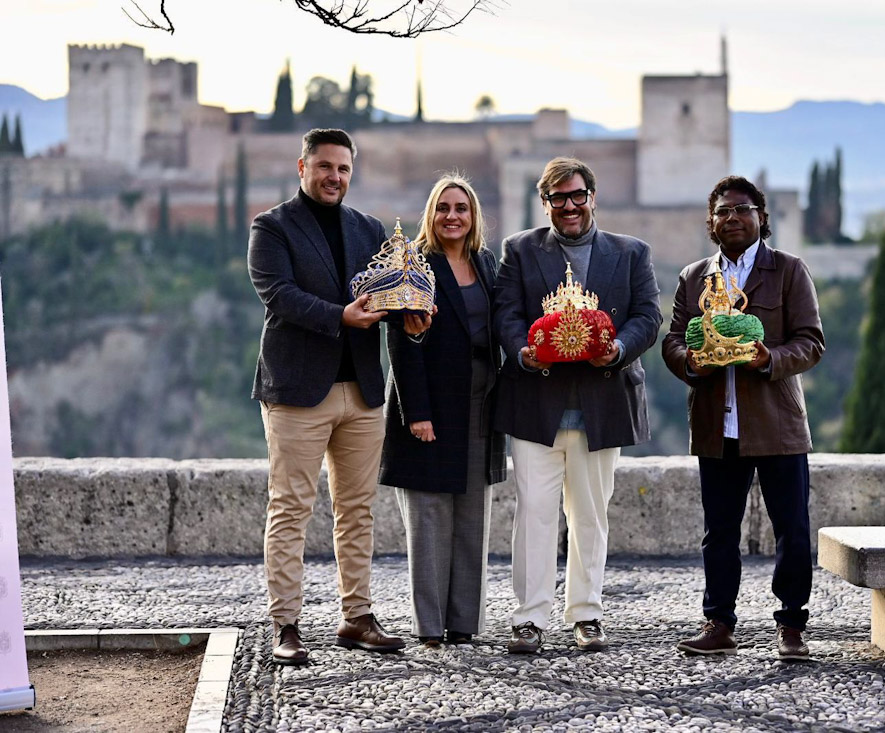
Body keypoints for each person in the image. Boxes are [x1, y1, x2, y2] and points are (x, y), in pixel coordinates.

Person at [248, 128, 431, 666]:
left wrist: (411, 318)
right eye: (325, 166)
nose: (334, 176)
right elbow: (278, 295)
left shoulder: (369, 229)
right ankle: (286, 624)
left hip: (363, 391)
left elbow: (386, 297)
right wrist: (340, 317)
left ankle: (357, 616)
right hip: (297, 392)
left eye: (343, 168)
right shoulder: (271, 227)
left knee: (357, 510)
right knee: (290, 510)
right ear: (302, 166)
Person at [493, 156, 662, 654]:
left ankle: (586, 614)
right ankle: (530, 618)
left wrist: (619, 348)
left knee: (590, 516)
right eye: (558, 198)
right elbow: (506, 314)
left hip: (601, 405)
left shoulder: (631, 252)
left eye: (577, 196)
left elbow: (648, 316)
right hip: (536, 404)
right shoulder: (519, 249)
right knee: (534, 516)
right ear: (544, 203)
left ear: (592, 198)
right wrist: (522, 351)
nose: (569, 206)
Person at [661, 175, 825, 661]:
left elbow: (811, 342)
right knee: (719, 531)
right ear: (711, 223)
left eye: (741, 209)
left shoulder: (789, 271)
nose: (731, 218)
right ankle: (719, 623)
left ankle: (791, 625)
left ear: (761, 218)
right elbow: (673, 340)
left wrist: (768, 358)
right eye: (722, 211)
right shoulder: (694, 277)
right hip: (717, 425)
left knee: (791, 529)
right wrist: (692, 363)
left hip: (777, 424)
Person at [380, 174, 506, 647]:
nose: (452, 216)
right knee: (429, 516)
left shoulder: (486, 263)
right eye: (443, 208)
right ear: (431, 215)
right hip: (430, 401)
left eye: (461, 208)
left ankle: (464, 623)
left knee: (473, 514)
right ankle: (431, 627)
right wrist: (416, 412)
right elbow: (401, 341)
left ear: (474, 216)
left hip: (480, 401)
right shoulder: (414, 265)